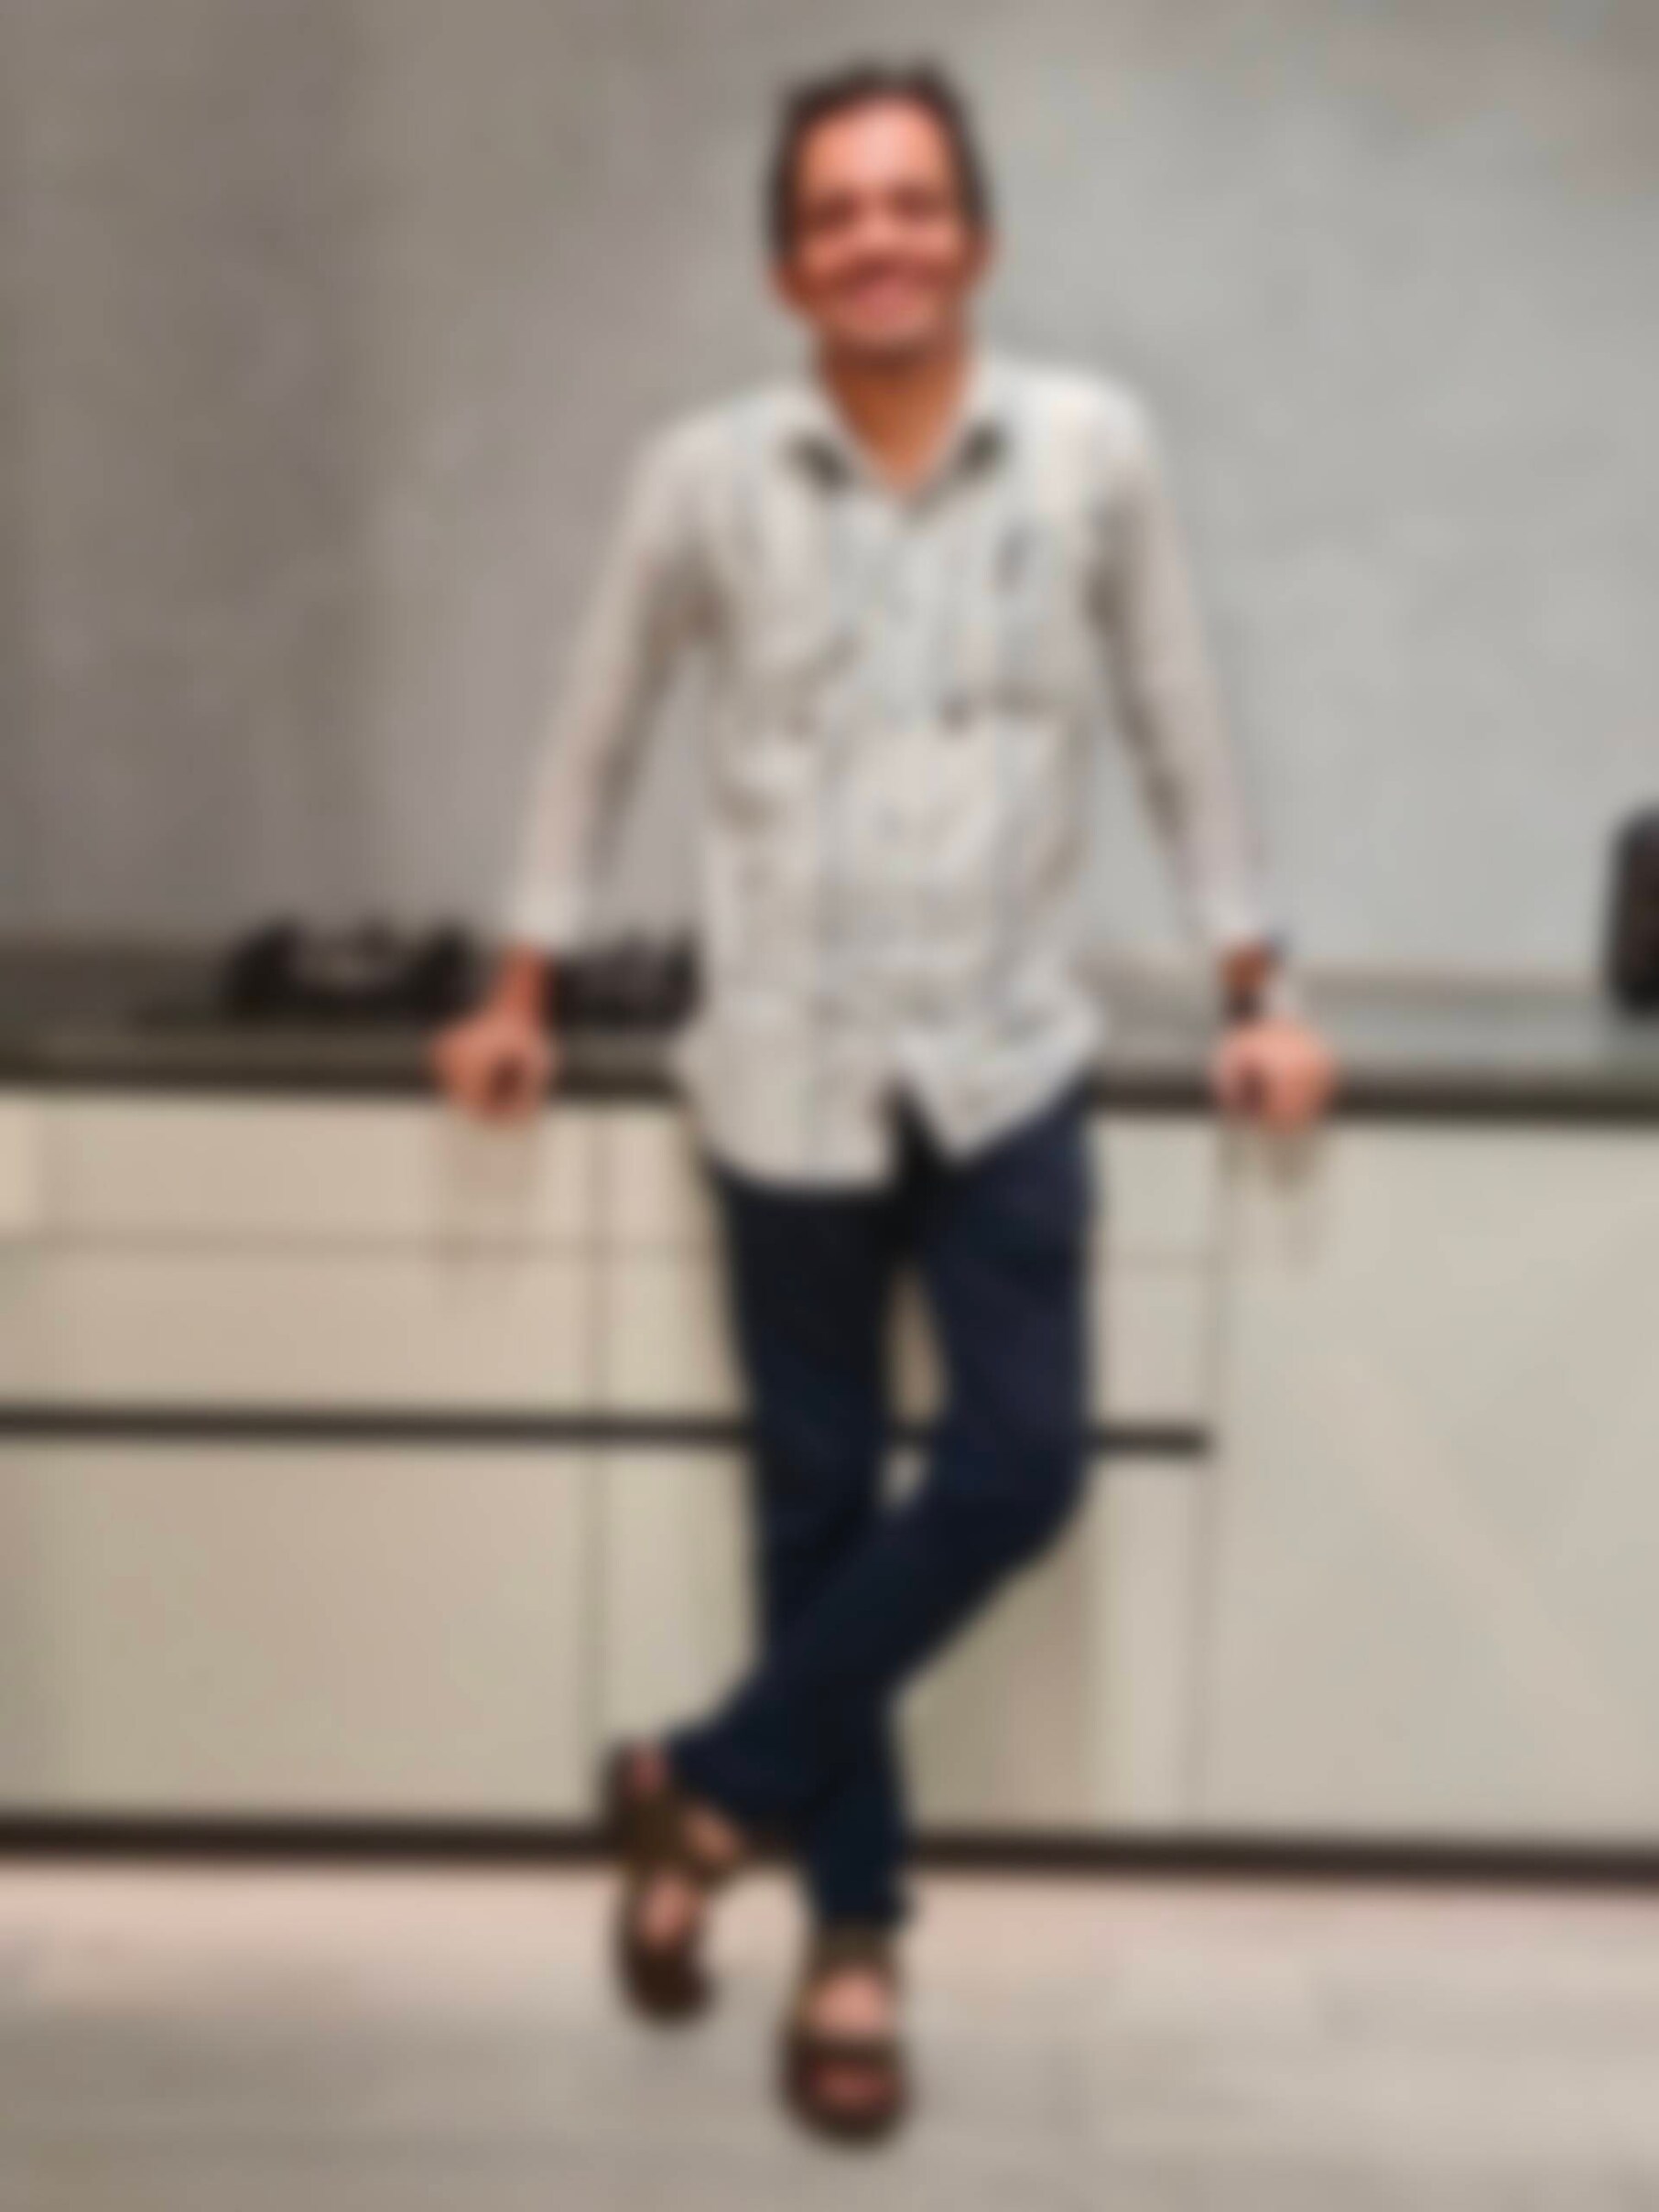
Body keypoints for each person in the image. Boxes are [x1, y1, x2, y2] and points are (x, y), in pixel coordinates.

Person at [431, 57, 1337, 2142]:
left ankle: (704, 1783)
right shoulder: (700, 478)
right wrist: (520, 986)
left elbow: (1178, 720)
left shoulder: (1093, 451)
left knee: (1021, 1466)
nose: (878, 241)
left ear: (977, 237)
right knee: (818, 1503)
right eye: (836, 214)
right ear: (787, 269)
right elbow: (592, 732)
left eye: (913, 203)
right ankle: (854, 1936)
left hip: (1008, 1058)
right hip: (786, 1069)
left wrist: (1258, 985)